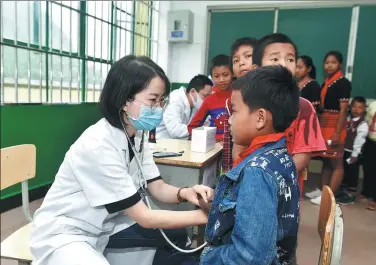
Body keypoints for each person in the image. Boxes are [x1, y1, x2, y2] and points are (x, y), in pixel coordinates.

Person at [29, 55, 213, 265]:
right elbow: (145, 217)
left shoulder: (136, 134)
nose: (159, 109)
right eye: (153, 100)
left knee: (177, 235)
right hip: (65, 232)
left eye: (162, 101)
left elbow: (157, 187)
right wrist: (206, 217)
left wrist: (185, 192)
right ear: (125, 100)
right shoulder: (99, 144)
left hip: (104, 225)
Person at [199, 65, 300, 265]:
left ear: (260, 118)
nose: (228, 120)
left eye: (234, 112)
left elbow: (249, 258)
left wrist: (206, 257)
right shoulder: (280, 156)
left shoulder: (257, 171)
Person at [232, 33, 326, 196]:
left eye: (290, 59)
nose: (283, 64)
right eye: (275, 59)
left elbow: (302, 156)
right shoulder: (245, 102)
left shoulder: (304, 107)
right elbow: (238, 147)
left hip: (285, 188)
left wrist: (271, 177)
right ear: (256, 68)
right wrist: (248, 174)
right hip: (249, 180)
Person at [307, 51, 352, 205]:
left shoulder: (343, 82)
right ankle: (323, 191)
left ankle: (330, 197)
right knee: (326, 161)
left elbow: (344, 110)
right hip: (325, 124)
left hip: (335, 126)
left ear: (340, 64)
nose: (329, 65)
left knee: (336, 163)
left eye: (333, 62)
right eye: (326, 62)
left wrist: (338, 132)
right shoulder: (326, 81)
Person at [222, 37, 258, 172]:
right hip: (239, 166)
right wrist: (228, 171)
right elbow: (230, 142)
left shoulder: (272, 97)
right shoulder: (230, 101)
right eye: (236, 60)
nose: (241, 63)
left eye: (248, 56)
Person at [188, 55, 233, 141]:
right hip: (215, 149)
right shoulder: (209, 100)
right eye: (216, 76)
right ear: (211, 77)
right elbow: (191, 127)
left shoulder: (239, 95)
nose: (221, 80)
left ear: (233, 73)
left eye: (225, 75)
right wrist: (218, 138)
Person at [156, 74, 213, 139]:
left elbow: (206, 121)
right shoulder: (175, 99)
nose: (207, 100)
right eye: (205, 96)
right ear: (193, 91)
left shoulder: (194, 105)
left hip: (177, 143)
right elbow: (175, 130)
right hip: (161, 141)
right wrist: (201, 129)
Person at [338, 97, 368, 205]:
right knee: (343, 170)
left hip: (353, 152)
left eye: (360, 107)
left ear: (364, 109)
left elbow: (360, 141)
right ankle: (342, 190)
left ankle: (351, 195)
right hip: (344, 150)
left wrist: (355, 154)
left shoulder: (362, 124)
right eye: (354, 106)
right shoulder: (347, 119)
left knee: (352, 173)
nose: (356, 109)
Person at [360, 100, 376, 211]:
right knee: (368, 167)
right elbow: (367, 120)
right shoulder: (373, 104)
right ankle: (367, 192)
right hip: (371, 140)